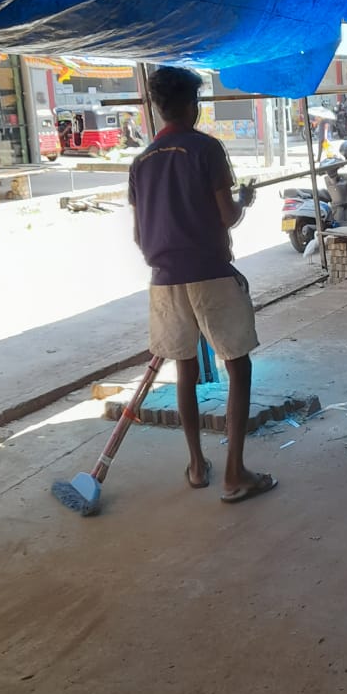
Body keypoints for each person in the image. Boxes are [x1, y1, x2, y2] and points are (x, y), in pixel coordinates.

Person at [128, 66, 276, 504]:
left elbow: (139, 236)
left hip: (164, 280)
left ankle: (196, 466)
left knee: (184, 369)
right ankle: (234, 473)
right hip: (210, 272)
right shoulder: (206, 149)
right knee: (238, 366)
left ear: (157, 107)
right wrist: (244, 202)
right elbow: (227, 216)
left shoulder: (141, 163)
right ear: (192, 105)